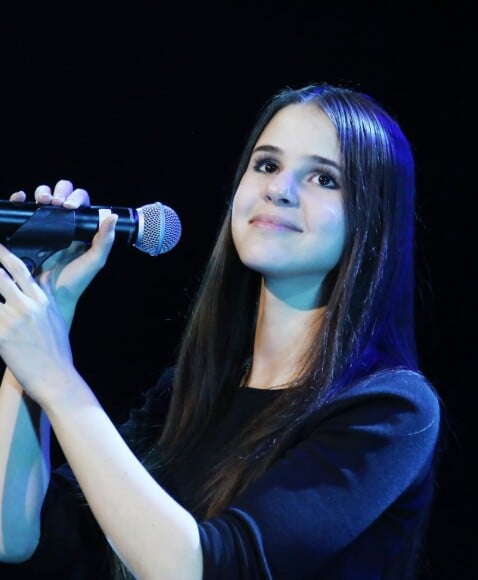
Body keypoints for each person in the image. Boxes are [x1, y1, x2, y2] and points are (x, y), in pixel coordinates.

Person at [0, 82, 443, 579]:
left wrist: (58, 379)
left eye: (323, 178)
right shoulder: (185, 395)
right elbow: (13, 534)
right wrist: (41, 319)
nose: (279, 189)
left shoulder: (389, 411)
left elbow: (204, 569)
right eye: (267, 165)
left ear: (372, 219)